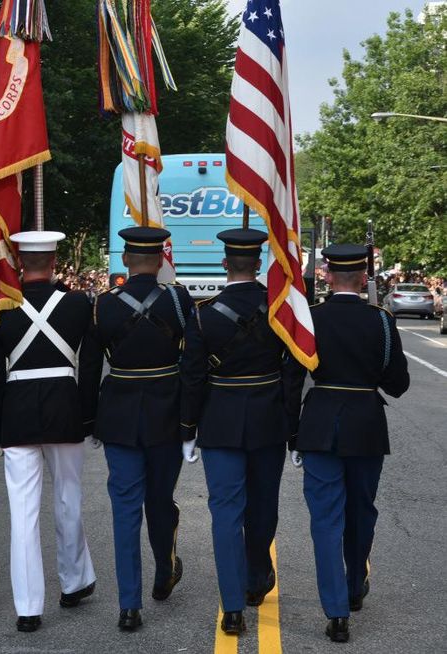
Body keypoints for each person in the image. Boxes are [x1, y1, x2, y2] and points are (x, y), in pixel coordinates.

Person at [179, 229, 305, 636]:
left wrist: (188, 427)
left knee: (226, 512)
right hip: (268, 417)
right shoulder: (278, 309)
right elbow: (292, 370)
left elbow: (193, 376)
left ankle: (232, 606)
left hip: (220, 420)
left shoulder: (204, 312)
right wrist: (291, 423)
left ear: (224, 264)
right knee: (263, 505)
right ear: (258, 265)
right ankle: (255, 579)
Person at [0, 230, 101, 633]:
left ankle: (28, 608)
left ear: (17, 261)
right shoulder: (78, 304)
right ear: (53, 262)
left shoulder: (1, 309)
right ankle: (73, 582)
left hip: (16, 414)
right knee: (68, 499)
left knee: (23, 514)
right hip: (65, 408)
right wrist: (87, 414)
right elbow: (90, 368)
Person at [294, 244, 410, 643]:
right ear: (363, 278)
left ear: (327, 276)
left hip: (320, 424)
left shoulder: (311, 318)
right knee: (361, 511)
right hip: (365, 424)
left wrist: (294, 433)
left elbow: (295, 378)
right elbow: (398, 384)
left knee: (326, 520)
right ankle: (355, 582)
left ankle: (337, 610)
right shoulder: (380, 320)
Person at [91, 227, 193, 631]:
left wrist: (88, 418)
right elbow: (193, 363)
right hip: (167, 414)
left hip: (118, 416)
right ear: (161, 260)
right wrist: (191, 420)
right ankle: (165, 569)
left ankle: (129, 605)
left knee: (125, 510)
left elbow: (89, 369)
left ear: (127, 260)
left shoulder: (104, 304)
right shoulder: (180, 300)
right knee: (161, 499)